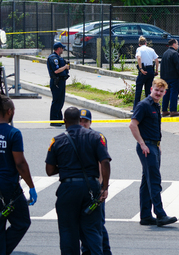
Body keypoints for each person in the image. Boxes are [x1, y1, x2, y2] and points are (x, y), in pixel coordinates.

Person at [46, 107, 111, 254]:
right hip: (91, 188)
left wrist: (65, 168)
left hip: (68, 189)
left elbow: (49, 170)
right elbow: (105, 162)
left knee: (68, 230)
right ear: (78, 120)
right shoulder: (96, 137)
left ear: (64, 121)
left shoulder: (57, 140)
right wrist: (104, 187)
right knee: (92, 230)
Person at [129, 79, 178, 227]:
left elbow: (153, 128)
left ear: (164, 93)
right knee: (154, 181)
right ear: (151, 89)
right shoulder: (144, 105)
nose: (158, 93)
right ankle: (160, 214)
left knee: (147, 181)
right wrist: (142, 144)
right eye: (156, 90)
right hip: (147, 147)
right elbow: (132, 125)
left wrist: (158, 145)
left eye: (161, 91)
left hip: (154, 146)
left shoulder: (156, 105)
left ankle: (145, 216)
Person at [0, 95, 36, 255]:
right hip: (9, 188)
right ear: (9, 111)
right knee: (21, 222)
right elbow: (20, 163)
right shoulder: (13, 133)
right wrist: (31, 186)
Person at [78, 109, 111, 255]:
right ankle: (86, 251)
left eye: (85, 121)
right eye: (80, 120)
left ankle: (105, 251)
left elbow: (102, 163)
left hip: (95, 186)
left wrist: (102, 187)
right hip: (81, 187)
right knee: (83, 222)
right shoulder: (75, 137)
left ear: (90, 122)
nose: (82, 123)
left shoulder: (98, 137)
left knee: (98, 223)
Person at [160, 39, 179, 117]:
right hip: (174, 77)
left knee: (166, 94)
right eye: (177, 44)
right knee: (174, 94)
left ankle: (164, 110)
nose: (177, 45)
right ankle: (173, 110)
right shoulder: (174, 53)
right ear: (174, 44)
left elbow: (162, 66)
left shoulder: (165, 53)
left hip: (165, 77)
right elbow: (178, 66)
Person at [47, 42, 70, 126]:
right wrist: (65, 67)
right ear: (58, 48)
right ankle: (54, 120)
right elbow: (56, 71)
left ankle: (59, 119)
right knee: (56, 101)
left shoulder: (58, 58)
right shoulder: (53, 58)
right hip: (56, 82)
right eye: (62, 48)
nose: (63, 50)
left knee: (60, 101)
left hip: (61, 81)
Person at [134, 36, 159, 109]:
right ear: (146, 43)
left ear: (139, 44)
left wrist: (141, 68)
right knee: (148, 90)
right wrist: (156, 70)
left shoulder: (139, 49)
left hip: (143, 69)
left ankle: (136, 107)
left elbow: (139, 57)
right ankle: (149, 107)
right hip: (150, 69)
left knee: (139, 89)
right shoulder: (151, 49)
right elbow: (156, 60)